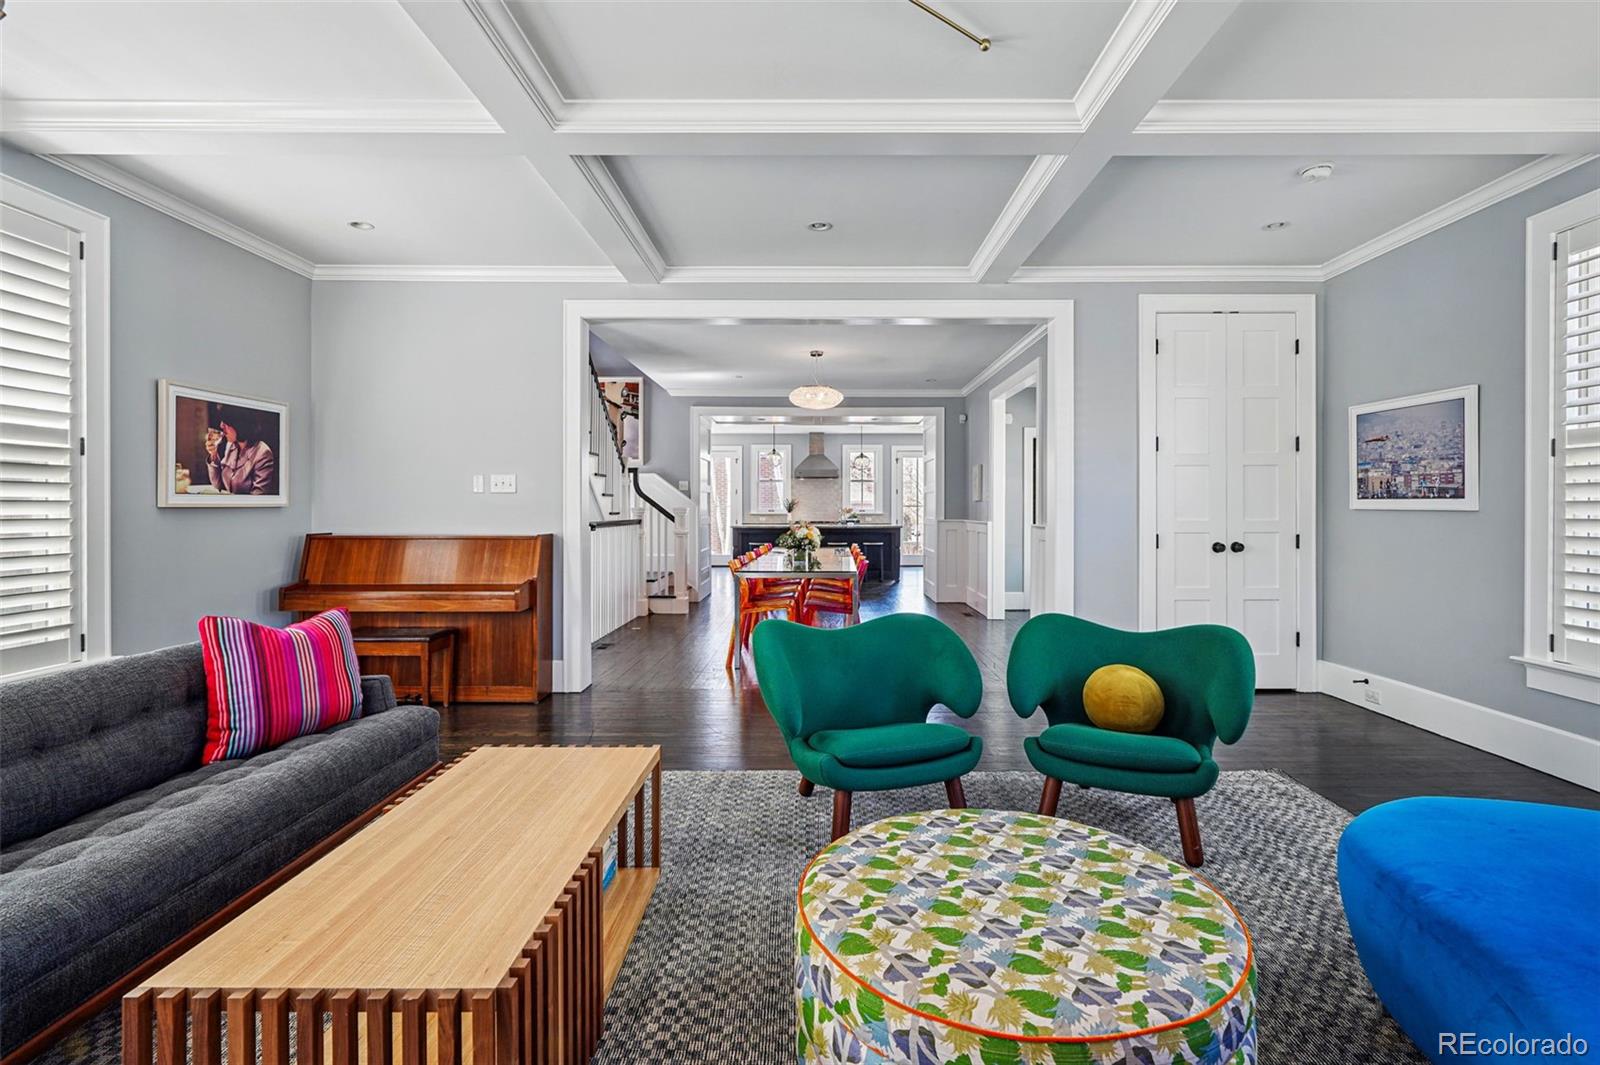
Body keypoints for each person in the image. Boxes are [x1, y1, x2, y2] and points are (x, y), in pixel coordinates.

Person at [204, 404, 278, 495]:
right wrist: (213, 454)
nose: (221, 425)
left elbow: (258, 497)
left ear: (238, 423)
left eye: (225, 422)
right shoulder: (230, 445)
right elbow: (218, 486)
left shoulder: (262, 452)